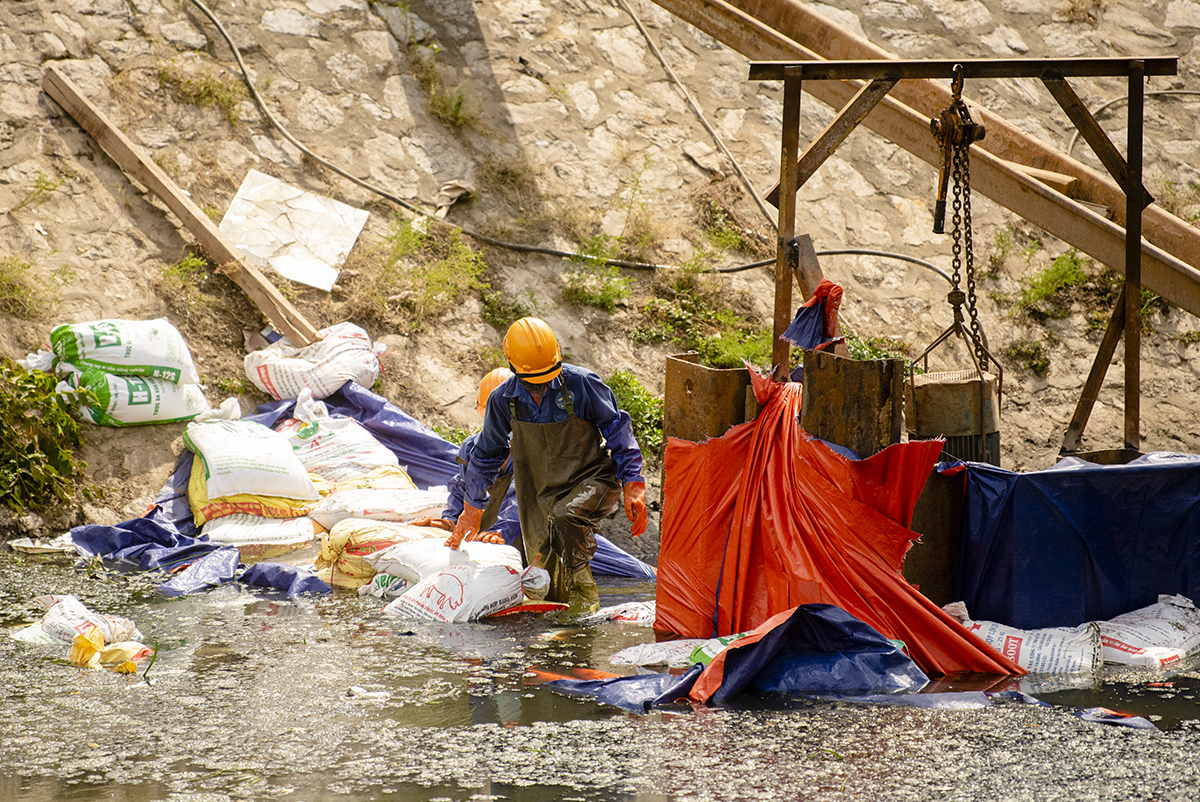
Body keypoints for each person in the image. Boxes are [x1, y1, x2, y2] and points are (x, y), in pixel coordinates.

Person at [446, 317, 647, 617]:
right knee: (545, 577)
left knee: (567, 516)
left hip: (593, 480)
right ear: (513, 366)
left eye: (547, 377)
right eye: (533, 380)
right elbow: (486, 455)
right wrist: (472, 512)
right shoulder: (503, 401)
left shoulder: (582, 384)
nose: (540, 386)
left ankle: (585, 590)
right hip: (540, 494)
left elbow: (618, 429)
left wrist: (634, 483)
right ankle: (567, 629)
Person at [410, 367, 516, 546]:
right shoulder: (470, 448)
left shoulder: (531, 452)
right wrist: (450, 520)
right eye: (495, 419)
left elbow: (523, 498)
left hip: (518, 534)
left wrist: (502, 531)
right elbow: (462, 488)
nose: (501, 427)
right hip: (479, 538)